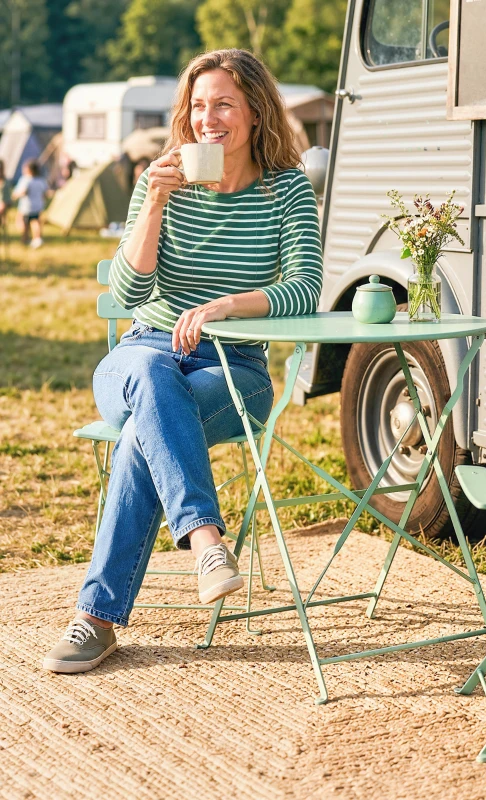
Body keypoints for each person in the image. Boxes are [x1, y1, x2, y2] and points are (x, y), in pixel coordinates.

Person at [43, 48, 323, 674]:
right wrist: (153, 207)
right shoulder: (159, 181)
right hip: (141, 353)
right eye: (198, 106)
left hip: (235, 373)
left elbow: (306, 285)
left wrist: (229, 306)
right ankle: (206, 541)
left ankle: (96, 621)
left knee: (148, 429)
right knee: (149, 375)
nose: (208, 119)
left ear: (255, 111)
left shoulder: (285, 190)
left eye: (223, 103)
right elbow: (126, 296)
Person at [12, 160, 49, 248]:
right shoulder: (41, 181)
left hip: (26, 207)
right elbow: (45, 193)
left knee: (24, 224)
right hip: (37, 206)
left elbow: (23, 191)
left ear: (29, 170)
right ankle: (37, 238)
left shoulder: (26, 180)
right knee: (36, 222)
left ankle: (25, 239)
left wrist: (15, 196)